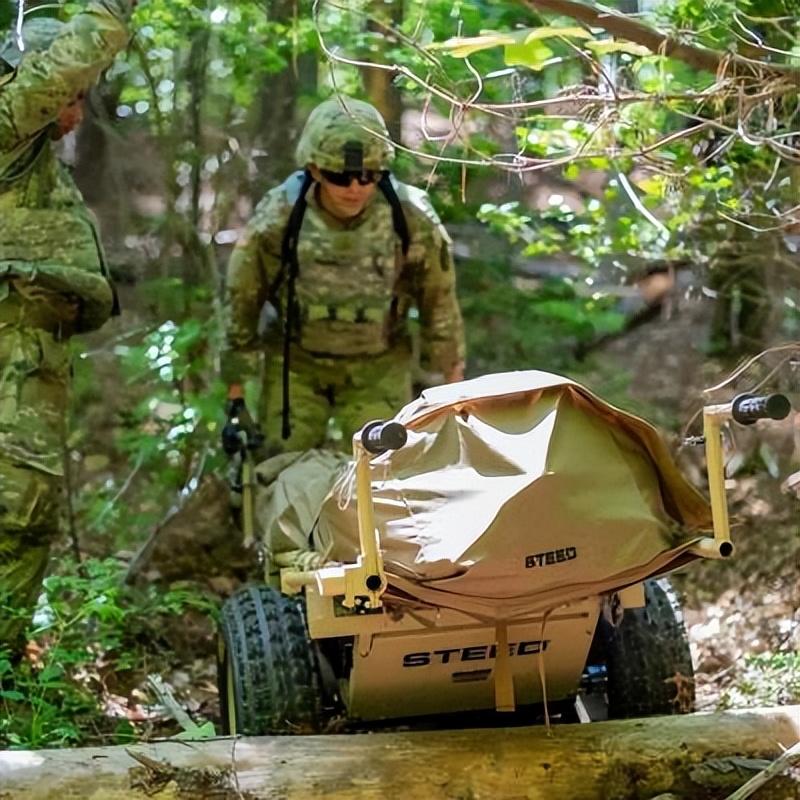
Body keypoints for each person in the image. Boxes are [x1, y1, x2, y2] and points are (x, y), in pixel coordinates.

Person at [0, 1, 134, 655]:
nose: (76, 108)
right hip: (11, 351)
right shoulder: (8, 126)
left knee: (28, 510)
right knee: (16, 509)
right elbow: (77, 51)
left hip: (32, 353)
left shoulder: (33, 158)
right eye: (70, 94)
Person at [222, 96, 465, 454]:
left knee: (386, 479)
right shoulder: (279, 217)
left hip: (378, 368)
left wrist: (452, 395)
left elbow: (439, 302)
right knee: (281, 474)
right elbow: (242, 300)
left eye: (369, 175)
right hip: (297, 368)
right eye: (341, 176)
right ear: (315, 170)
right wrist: (235, 397)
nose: (355, 188)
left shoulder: (411, 217)